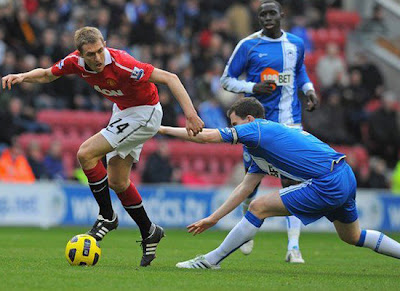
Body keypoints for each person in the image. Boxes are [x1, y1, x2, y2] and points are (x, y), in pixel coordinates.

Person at [2, 26, 204, 267]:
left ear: (104, 44)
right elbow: (47, 74)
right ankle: (149, 231)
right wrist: (23, 76)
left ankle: (107, 216)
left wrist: (190, 114)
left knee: (85, 154)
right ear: (80, 55)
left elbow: (171, 78)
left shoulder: (122, 63)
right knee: (117, 182)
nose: (97, 58)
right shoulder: (73, 63)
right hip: (123, 112)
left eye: (100, 51)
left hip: (145, 112)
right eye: (91, 54)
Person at [159, 97, 400, 269]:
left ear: (250, 119)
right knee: (353, 236)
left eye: (234, 124)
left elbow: (208, 137)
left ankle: (210, 260)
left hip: (327, 181)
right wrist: (214, 218)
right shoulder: (259, 152)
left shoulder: (258, 129)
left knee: (258, 207)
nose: (233, 129)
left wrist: (161, 129)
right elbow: (244, 188)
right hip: (343, 174)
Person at [219, 0, 319, 262]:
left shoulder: (295, 44)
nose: (267, 18)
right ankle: (247, 225)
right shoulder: (248, 44)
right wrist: (253, 88)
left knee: (294, 183)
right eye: (262, 14)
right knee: (251, 183)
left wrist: (309, 91)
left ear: (282, 15)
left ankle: (293, 247)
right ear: (258, 18)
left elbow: (300, 73)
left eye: (271, 13)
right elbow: (226, 79)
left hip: (289, 123)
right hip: (256, 126)